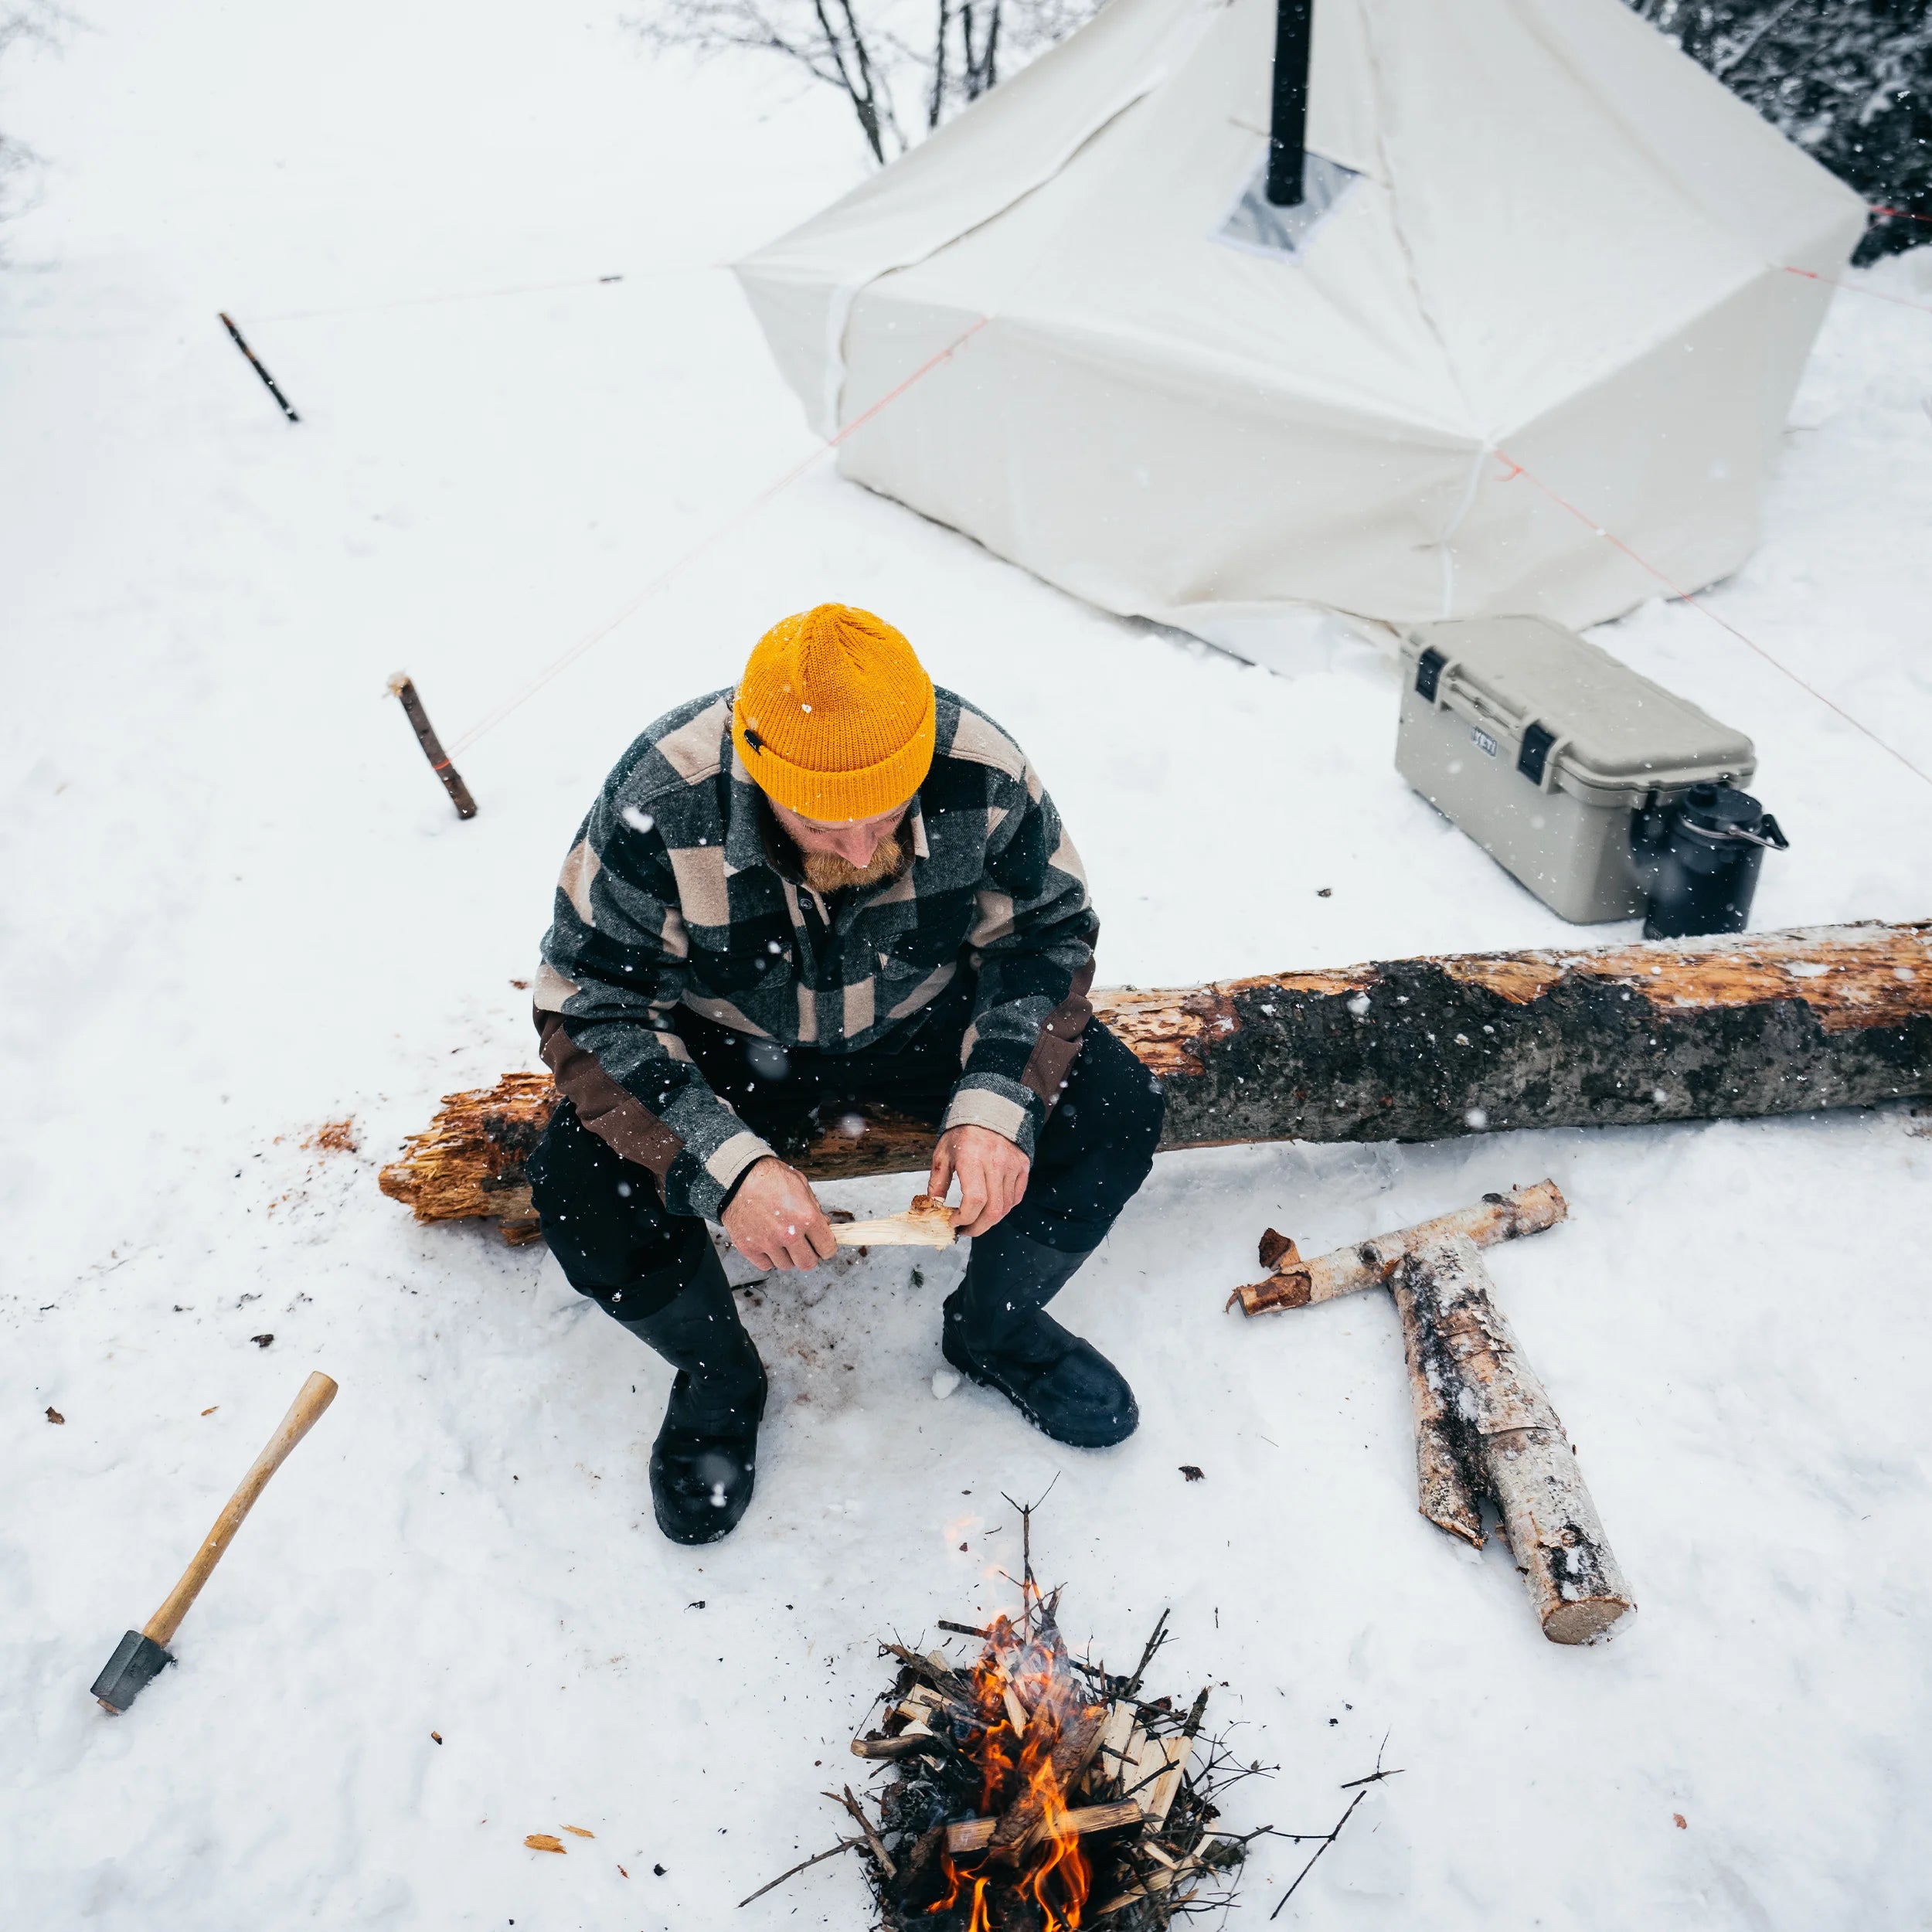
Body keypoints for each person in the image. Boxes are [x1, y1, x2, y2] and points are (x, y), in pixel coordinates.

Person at [525, 604, 1165, 1543]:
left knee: (1113, 1109)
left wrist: (995, 1102)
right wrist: (729, 1165)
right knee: (580, 1186)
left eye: (888, 812)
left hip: (922, 1015)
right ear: (760, 770)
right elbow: (589, 1000)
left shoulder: (980, 766)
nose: (863, 849)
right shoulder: (666, 794)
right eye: (824, 822)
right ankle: (719, 1375)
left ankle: (997, 1326)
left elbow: (1045, 934)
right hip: (733, 1035)